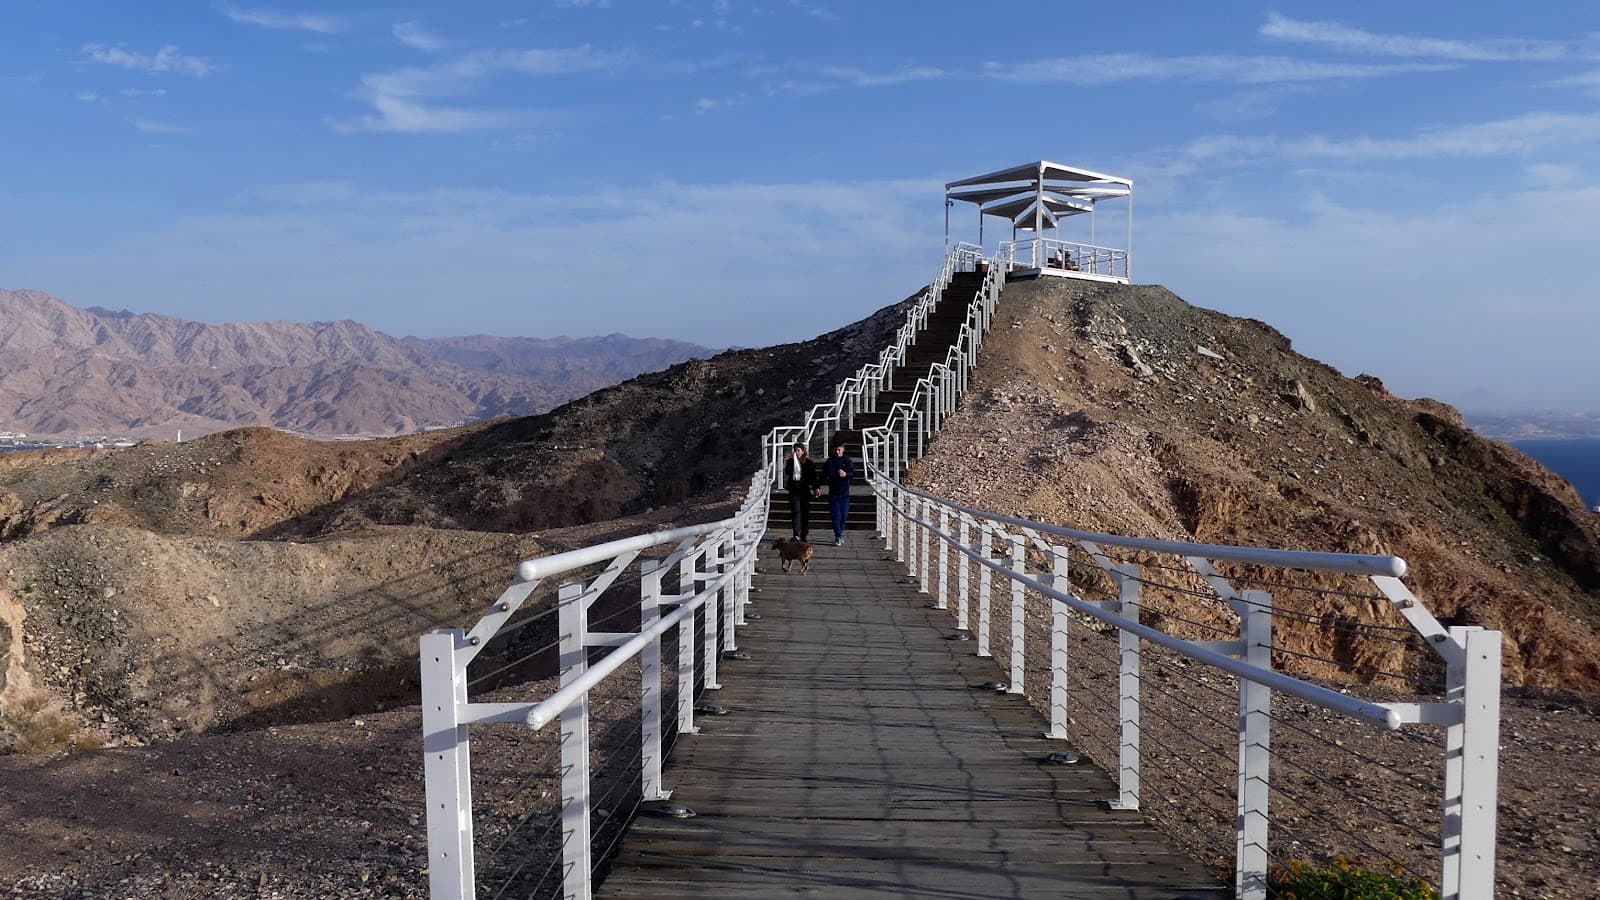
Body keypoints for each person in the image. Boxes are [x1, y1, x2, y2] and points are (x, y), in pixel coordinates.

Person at [783, 442, 818, 541]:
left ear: (803, 451)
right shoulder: (790, 462)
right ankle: (796, 533)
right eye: (795, 450)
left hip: (804, 490)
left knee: (805, 512)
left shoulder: (808, 463)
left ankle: (804, 534)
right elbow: (787, 472)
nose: (796, 452)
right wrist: (794, 462)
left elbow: (813, 477)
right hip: (794, 490)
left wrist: (816, 488)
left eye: (798, 450)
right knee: (795, 512)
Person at [826, 443, 855, 546]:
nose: (837, 452)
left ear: (843, 449)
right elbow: (823, 475)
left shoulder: (847, 460)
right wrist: (817, 487)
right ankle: (838, 535)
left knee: (844, 515)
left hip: (844, 493)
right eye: (836, 449)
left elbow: (853, 473)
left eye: (839, 449)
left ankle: (840, 533)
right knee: (836, 515)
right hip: (833, 492)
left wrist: (846, 474)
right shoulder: (830, 461)